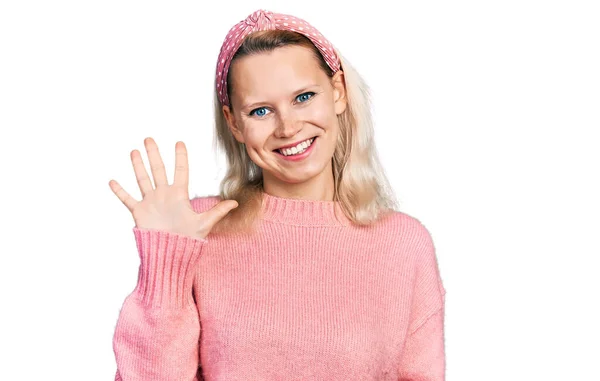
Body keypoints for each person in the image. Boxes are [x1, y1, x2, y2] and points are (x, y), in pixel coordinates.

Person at [109, 8, 446, 381]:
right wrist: (166, 261)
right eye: (261, 110)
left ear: (338, 93)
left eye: (303, 97)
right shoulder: (199, 229)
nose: (288, 127)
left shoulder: (403, 244)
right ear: (234, 123)